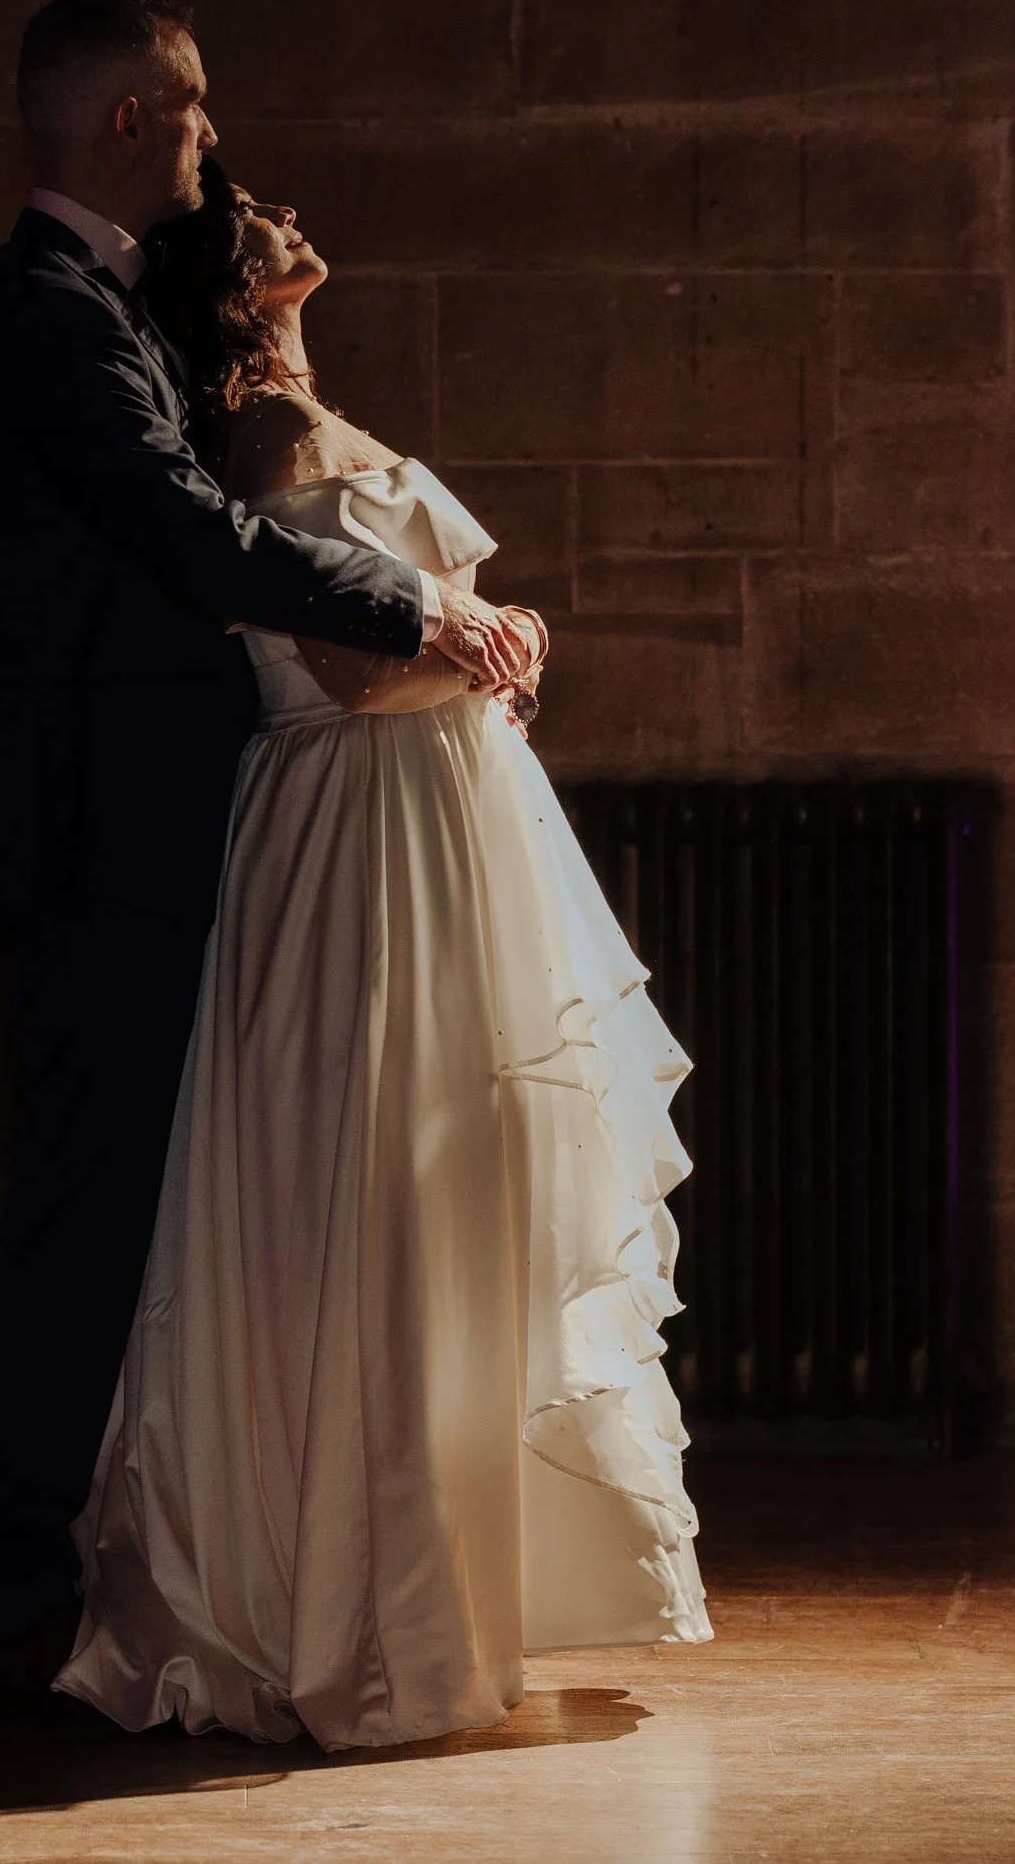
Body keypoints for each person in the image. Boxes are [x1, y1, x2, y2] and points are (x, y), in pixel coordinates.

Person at [56, 168, 711, 1749]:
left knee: (437, 1197)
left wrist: (502, 637)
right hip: (357, 828)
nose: (288, 212)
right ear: (236, 284)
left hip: (424, 817)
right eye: (257, 212)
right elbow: (351, 674)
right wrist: (479, 644)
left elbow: (416, 631)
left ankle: (431, 1592)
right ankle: (355, 1611)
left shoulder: (317, 422)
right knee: (369, 1194)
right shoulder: (268, 438)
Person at [0, 0, 535, 1700]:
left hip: (134, 834)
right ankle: (26, 1614)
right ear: (131, 119)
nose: (211, 140)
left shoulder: (96, 309)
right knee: (83, 1222)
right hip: (96, 846)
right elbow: (191, 537)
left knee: (130, 1217)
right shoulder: (49, 318)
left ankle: (116, 1578)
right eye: (192, 111)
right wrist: (419, 605)